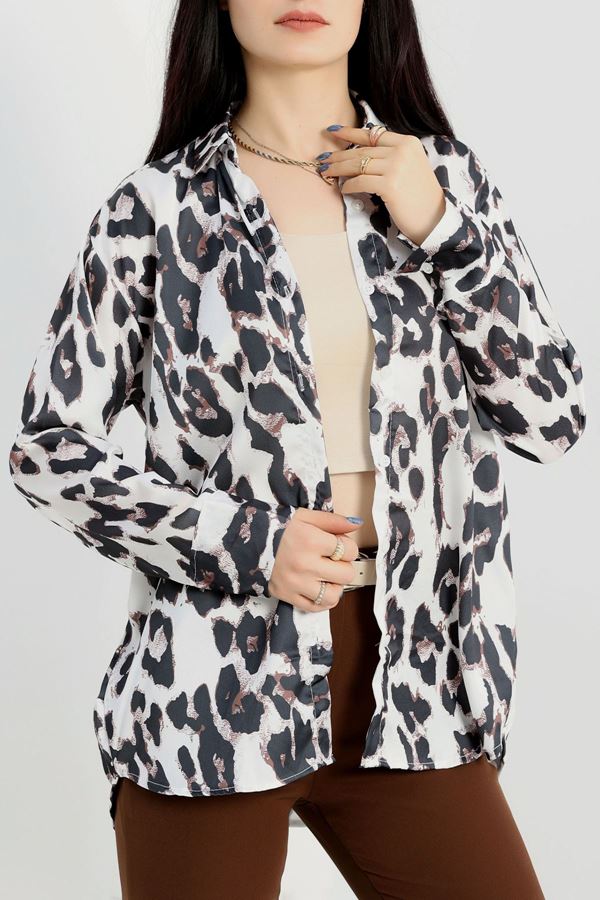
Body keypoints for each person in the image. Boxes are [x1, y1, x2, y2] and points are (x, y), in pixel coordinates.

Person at [9, 1, 586, 898]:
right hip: (212, 683)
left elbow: (551, 419)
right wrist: (244, 542)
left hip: (413, 681)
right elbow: (48, 448)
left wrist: (442, 228)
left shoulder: (445, 182)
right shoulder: (154, 211)